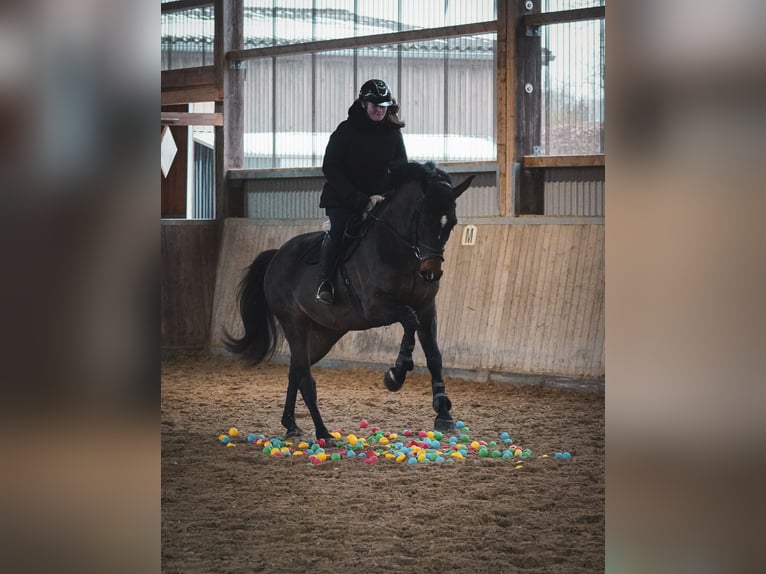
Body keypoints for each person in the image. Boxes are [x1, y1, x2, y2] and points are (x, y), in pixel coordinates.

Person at [315, 79, 408, 304]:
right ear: (363, 103)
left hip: (379, 200)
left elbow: (400, 168)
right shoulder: (345, 131)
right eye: (375, 104)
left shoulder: (393, 133)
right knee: (339, 231)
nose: (379, 109)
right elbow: (331, 168)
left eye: (383, 105)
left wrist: (388, 196)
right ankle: (325, 282)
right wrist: (360, 199)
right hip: (343, 198)